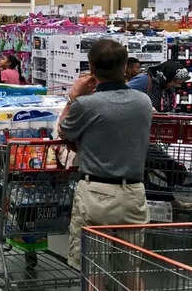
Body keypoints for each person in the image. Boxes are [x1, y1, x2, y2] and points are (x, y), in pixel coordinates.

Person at [58, 39, 151, 270]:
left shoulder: (86, 105)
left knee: (93, 272)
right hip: (134, 193)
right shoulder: (143, 101)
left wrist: (74, 97)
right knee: (130, 270)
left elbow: (63, 130)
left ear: (91, 68)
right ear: (125, 67)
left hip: (96, 193)